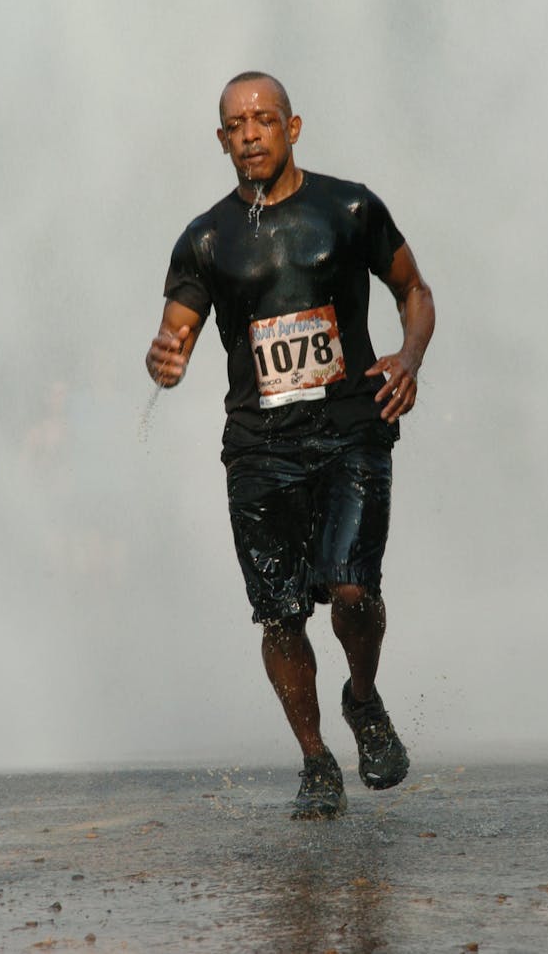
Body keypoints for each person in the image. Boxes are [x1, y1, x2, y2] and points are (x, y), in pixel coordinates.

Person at [146, 72, 435, 819]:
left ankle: (362, 698)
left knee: (352, 589)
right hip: (258, 447)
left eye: (263, 119)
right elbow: (176, 329)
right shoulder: (206, 238)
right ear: (220, 140)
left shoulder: (348, 207)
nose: (249, 133)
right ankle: (314, 759)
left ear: (292, 127)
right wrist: (165, 356)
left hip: (350, 432)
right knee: (278, 612)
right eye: (235, 124)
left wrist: (409, 356)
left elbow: (415, 291)